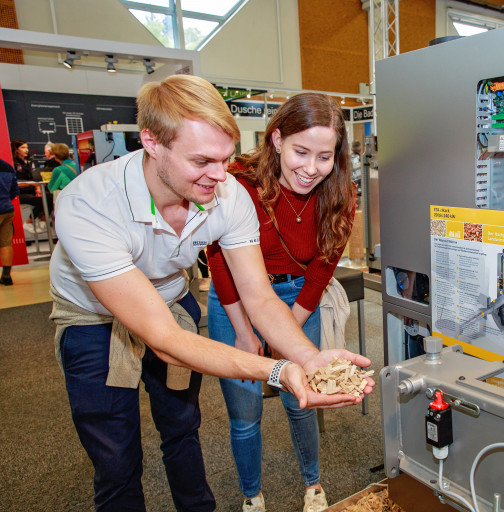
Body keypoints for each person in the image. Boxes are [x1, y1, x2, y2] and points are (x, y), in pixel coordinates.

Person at [48, 75, 373, 512]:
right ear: (152, 142)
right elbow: (167, 342)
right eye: (202, 160)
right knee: (116, 454)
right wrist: (278, 371)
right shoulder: (87, 204)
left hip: (167, 294)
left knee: (182, 428)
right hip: (90, 316)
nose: (220, 175)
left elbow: (258, 296)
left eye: (224, 158)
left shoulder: (226, 192)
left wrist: (307, 356)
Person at [207, 93, 356, 512]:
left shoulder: (339, 193)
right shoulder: (238, 182)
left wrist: (284, 330)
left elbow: (321, 270)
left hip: (296, 298)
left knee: (302, 399)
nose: (311, 169)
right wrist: (243, 332)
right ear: (276, 139)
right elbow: (218, 259)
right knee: (244, 412)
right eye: (301, 152)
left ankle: (313, 484)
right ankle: (252, 496)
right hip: (233, 299)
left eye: (324, 156)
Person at [0, 158, 20, 286]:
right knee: (6, 243)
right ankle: (6, 276)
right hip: (6, 209)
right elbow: (14, 191)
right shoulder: (7, 166)